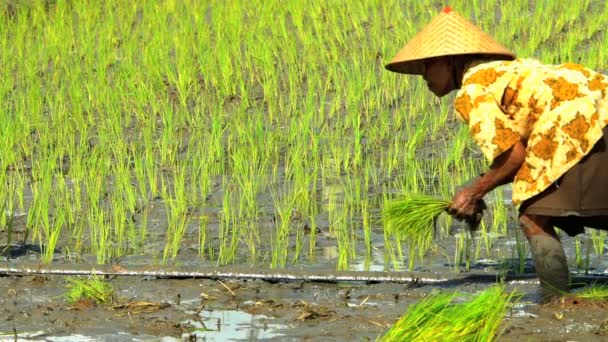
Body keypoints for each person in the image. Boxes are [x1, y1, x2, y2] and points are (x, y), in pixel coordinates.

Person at [384, 6, 608, 297]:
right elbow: (522, 153)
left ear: (450, 61)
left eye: (427, 66)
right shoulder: (500, 72)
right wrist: (483, 186)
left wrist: (473, 192)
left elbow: (513, 156)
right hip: (598, 108)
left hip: (580, 124)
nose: (423, 77)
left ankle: (557, 305)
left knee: (535, 215)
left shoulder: (474, 89)